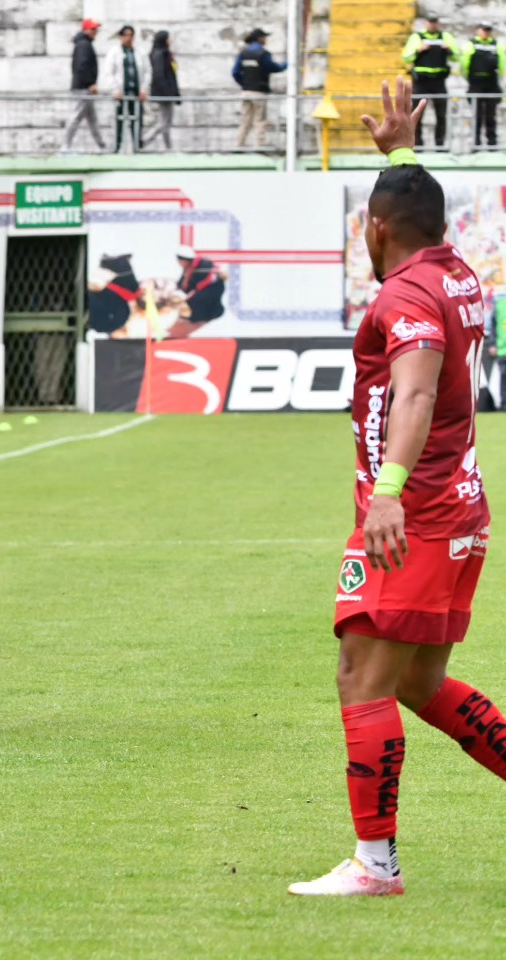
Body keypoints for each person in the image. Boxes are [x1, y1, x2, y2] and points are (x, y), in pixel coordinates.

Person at [289, 78, 504, 897]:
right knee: (419, 684)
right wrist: (403, 156)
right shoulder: (454, 272)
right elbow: (416, 208)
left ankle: (375, 865)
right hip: (461, 510)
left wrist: (388, 490)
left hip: (412, 513)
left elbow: (414, 390)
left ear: (372, 227)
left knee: (362, 678)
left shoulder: (407, 294)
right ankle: (374, 859)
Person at [402, 15, 456, 148]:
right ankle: (417, 145)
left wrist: (449, 50)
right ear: (425, 23)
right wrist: (418, 50)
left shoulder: (445, 37)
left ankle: (440, 145)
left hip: (439, 81)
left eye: (435, 22)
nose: (433, 25)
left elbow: (457, 56)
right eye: (430, 22)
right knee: (417, 114)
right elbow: (406, 57)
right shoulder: (417, 37)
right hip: (421, 82)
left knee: (441, 115)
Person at [233, 27, 287, 149]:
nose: (266, 39)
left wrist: (245, 84)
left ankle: (239, 145)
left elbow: (235, 72)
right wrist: (287, 64)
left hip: (246, 92)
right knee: (259, 120)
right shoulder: (263, 53)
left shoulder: (243, 53)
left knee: (245, 120)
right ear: (260, 38)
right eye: (264, 37)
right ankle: (259, 146)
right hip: (259, 92)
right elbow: (273, 68)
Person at [103, 25, 148, 153]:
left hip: (136, 92)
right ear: (121, 37)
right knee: (119, 120)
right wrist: (114, 89)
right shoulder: (114, 52)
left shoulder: (140, 52)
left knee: (137, 120)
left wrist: (144, 88)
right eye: (126, 35)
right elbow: (109, 72)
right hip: (121, 93)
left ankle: (137, 147)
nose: (129, 38)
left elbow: (147, 71)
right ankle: (117, 147)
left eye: (131, 35)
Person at [459, 23, 503, 148]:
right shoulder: (470, 44)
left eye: (488, 30)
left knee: (491, 115)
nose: (486, 32)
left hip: (491, 82)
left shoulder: (496, 45)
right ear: (478, 30)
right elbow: (464, 65)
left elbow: (502, 64)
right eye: (484, 30)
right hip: (476, 82)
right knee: (476, 114)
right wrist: (470, 79)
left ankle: (492, 143)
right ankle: (475, 142)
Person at [64, 17, 104, 150]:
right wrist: (90, 83)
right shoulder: (84, 45)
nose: (95, 31)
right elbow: (82, 66)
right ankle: (65, 146)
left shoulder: (83, 44)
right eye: (93, 29)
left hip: (83, 86)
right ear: (86, 29)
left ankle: (102, 145)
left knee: (92, 119)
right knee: (76, 117)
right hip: (83, 87)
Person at [170, 246, 226, 335]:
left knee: (193, 304)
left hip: (208, 300)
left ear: (184, 260)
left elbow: (199, 285)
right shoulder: (189, 268)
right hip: (202, 298)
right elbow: (183, 286)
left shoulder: (203, 267)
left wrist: (184, 296)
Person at [142, 29, 179, 150]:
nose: (170, 40)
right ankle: (144, 140)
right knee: (164, 122)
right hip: (165, 93)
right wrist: (168, 93)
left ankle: (168, 148)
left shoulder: (163, 53)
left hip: (166, 92)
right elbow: (160, 75)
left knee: (165, 122)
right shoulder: (160, 54)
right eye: (168, 38)